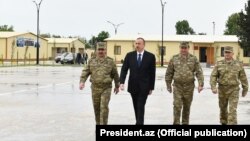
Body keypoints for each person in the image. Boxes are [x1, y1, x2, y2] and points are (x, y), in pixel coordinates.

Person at [79, 45, 120, 125]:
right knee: (97, 108)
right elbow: (86, 71)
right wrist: (82, 82)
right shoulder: (91, 61)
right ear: (96, 51)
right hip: (95, 88)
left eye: (102, 49)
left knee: (104, 107)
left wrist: (117, 85)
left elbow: (115, 74)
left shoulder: (110, 61)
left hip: (106, 88)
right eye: (99, 49)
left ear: (105, 50)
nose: (101, 51)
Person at [165, 41, 204, 125]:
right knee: (177, 106)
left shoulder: (193, 59)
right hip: (177, 86)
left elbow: (199, 72)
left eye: (185, 48)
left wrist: (200, 84)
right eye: (182, 48)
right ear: (179, 48)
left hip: (189, 87)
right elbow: (169, 73)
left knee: (186, 107)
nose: (183, 50)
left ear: (188, 48)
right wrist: (168, 85)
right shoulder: (174, 58)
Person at [120, 37, 156, 125]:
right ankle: (138, 122)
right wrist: (122, 82)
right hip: (133, 86)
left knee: (140, 105)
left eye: (139, 43)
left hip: (145, 87)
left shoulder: (150, 56)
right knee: (136, 106)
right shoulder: (129, 55)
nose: (137, 45)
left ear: (144, 45)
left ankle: (139, 124)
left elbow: (152, 73)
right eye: (136, 43)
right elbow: (124, 69)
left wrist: (151, 87)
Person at [210, 46, 248, 125]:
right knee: (223, 110)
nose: (227, 54)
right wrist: (213, 87)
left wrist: (245, 88)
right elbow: (213, 76)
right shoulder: (219, 64)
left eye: (229, 52)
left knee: (232, 110)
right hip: (222, 90)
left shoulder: (238, 64)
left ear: (232, 53)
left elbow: (243, 77)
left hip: (234, 90)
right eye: (225, 52)